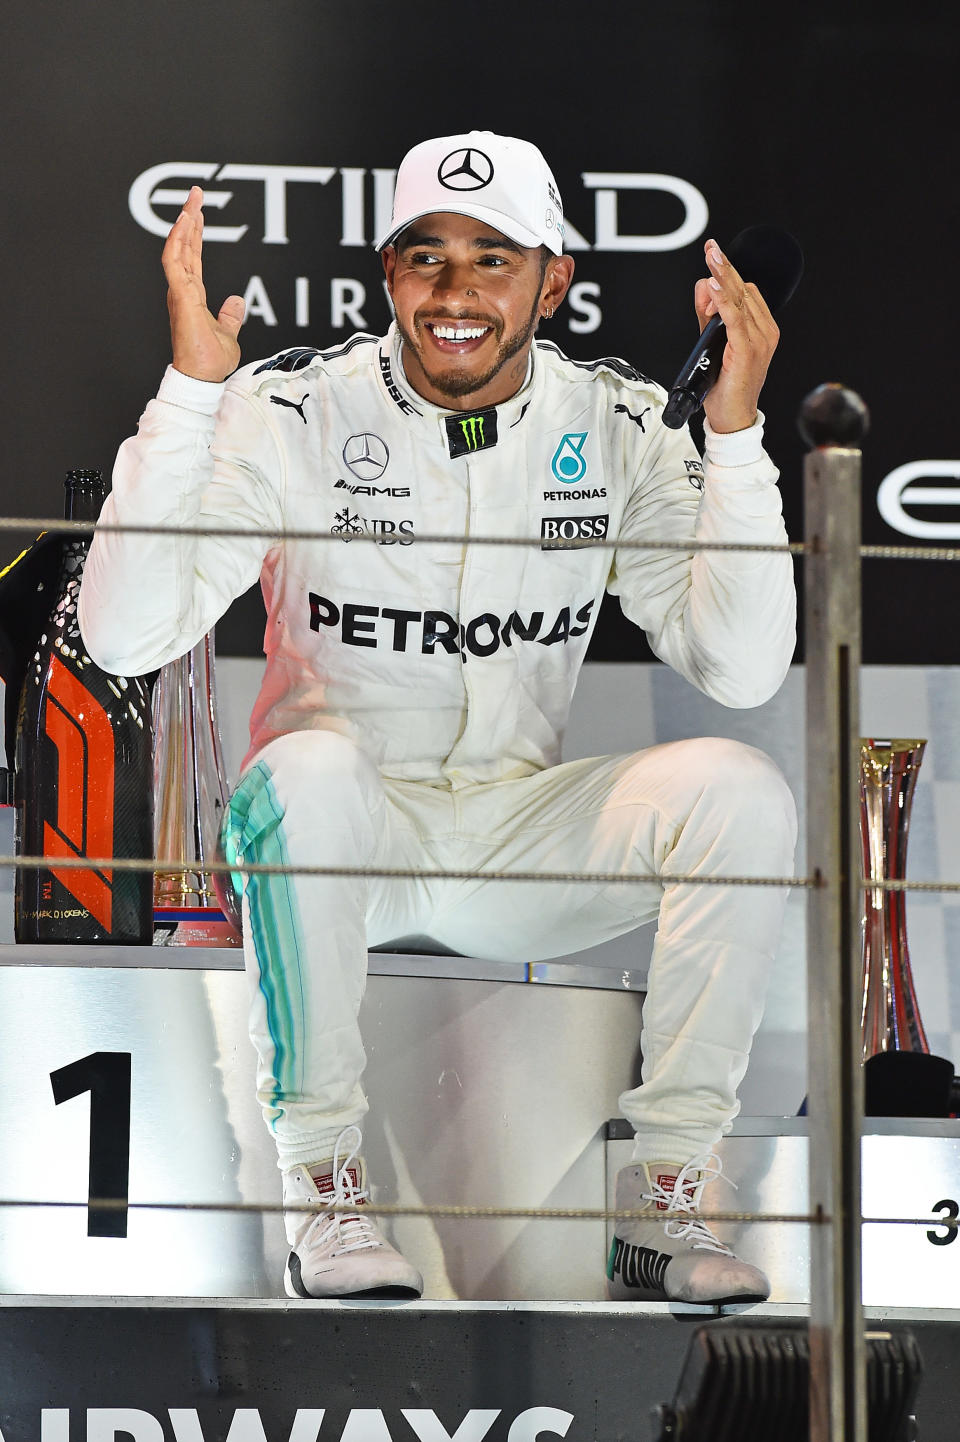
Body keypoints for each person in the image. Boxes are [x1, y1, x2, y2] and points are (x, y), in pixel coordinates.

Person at [79, 131, 797, 1305]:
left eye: (491, 258)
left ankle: (664, 1198)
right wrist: (190, 394)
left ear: (553, 281)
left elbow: (743, 660)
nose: (454, 293)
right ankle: (326, 1187)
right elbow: (123, 635)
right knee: (307, 768)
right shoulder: (291, 408)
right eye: (426, 257)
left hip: (516, 835)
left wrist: (733, 434)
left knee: (742, 790)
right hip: (342, 837)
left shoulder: (616, 424)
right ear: (386, 272)